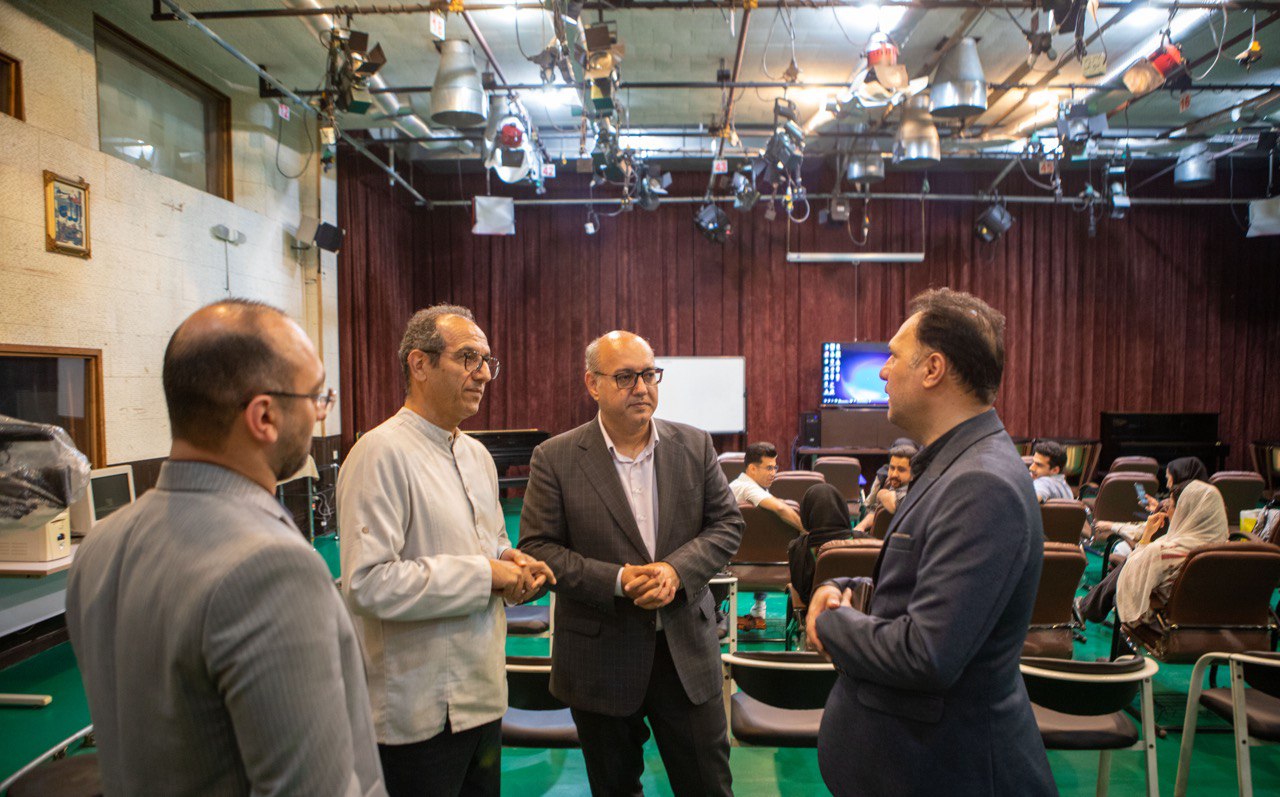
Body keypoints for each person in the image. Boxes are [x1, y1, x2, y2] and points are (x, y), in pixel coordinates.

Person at [65, 299, 386, 796]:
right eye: (316, 397)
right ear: (265, 416)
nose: (322, 412)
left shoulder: (101, 544)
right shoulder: (272, 567)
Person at [806, 288, 1056, 796]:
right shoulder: (957, 463)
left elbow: (927, 653)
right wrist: (845, 587)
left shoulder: (980, 482)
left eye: (894, 357)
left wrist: (830, 622)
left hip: (941, 770)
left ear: (933, 369)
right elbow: (919, 581)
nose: (882, 372)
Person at [337, 305, 554, 797]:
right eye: (468, 358)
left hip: (483, 698)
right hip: (416, 713)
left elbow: (492, 542)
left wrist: (512, 562)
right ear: (420, 364)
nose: (484, 374)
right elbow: (367, 584)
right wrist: (487, 574)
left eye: (487, 362)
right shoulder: (379, 453)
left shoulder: (476, 455)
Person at [518, 330, 743, 797]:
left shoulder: (694, 445)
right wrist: (619, 580)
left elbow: (726, 525)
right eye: (625, 377)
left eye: (649, 374)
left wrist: (676, 571)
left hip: (686, 652)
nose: (641, 387)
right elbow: (539, 548)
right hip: (601, 658)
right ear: (592, 384)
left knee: (708, 786)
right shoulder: (555, 458)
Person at [1078, 479, 1227, 624]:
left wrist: (1146, 537)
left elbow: (1132, 574)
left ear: (1183, 511)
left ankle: (1085, 608)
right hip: (1211, 621)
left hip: (1161, 618)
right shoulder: (1226, 550)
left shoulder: (1163, 552)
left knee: (1127, 567)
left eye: (1171, 506)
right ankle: (1085, 606)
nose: (1167, 511)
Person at [728, 441, 803, 629]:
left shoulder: (750, 488)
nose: (773, 473)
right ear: (752, 469)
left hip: (740, 563)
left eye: (775, 467)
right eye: (769, 468)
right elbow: (780, 509)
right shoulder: (746, 488)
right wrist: (806, 529)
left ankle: (759, 608)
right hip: (749, 564)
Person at [1092, 456, 1210, 550]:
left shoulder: (1176, 510)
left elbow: (1142, 532)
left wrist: (1111, 526)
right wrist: (1159, 507)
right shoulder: (1209, 502)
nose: (1167, 485)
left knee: (1121, 548)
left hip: (1158, 551)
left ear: (1180, 478)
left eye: (1169, 479)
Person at [787, 482, 855, 607]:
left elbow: (800, 588)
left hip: (815, 607)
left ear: (806, 512)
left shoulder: (798, 547)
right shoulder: (864, 542)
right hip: (858, 606)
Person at [852, 440, 918, 535]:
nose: (894, 474)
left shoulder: (917, 490)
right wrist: (861, 526)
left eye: (901, 470)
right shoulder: (893, 483)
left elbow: (894, 506)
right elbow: (875, 510)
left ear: (913, 472)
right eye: (892, 468)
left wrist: (881, 493)